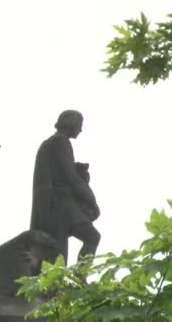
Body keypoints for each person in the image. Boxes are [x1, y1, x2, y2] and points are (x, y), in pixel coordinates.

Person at [30, 110, 101, 263]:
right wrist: (91, 199)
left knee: (58, 251)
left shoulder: (49, 143)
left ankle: (68, 280)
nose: (81, 130)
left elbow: (59, 171)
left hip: (53, 205)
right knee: (91, 237)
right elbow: (71, 178)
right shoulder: (61, 142)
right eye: (80, 125)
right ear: (72, 123)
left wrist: (77, 168)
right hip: (60, 204)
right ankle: (79, 278)